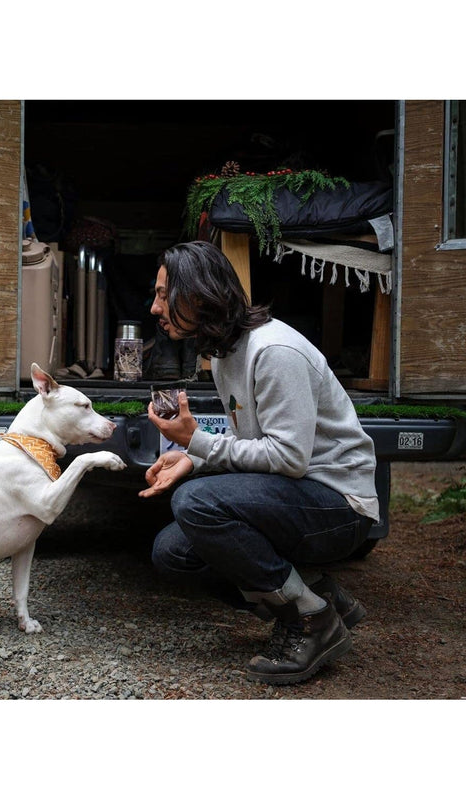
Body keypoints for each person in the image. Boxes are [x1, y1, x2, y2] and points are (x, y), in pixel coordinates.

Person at [139, 240, 379, 685]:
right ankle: (319, 593)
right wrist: (192, 457)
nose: (155, 307)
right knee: (172, 553)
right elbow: (253, 438)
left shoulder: (273, 351)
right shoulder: (227, 353)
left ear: (196, 296)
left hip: (340, 505)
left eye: (161, 294)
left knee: (195, 504)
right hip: (298, 496)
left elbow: (288, 458)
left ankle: (310, 620)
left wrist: (198, 442)